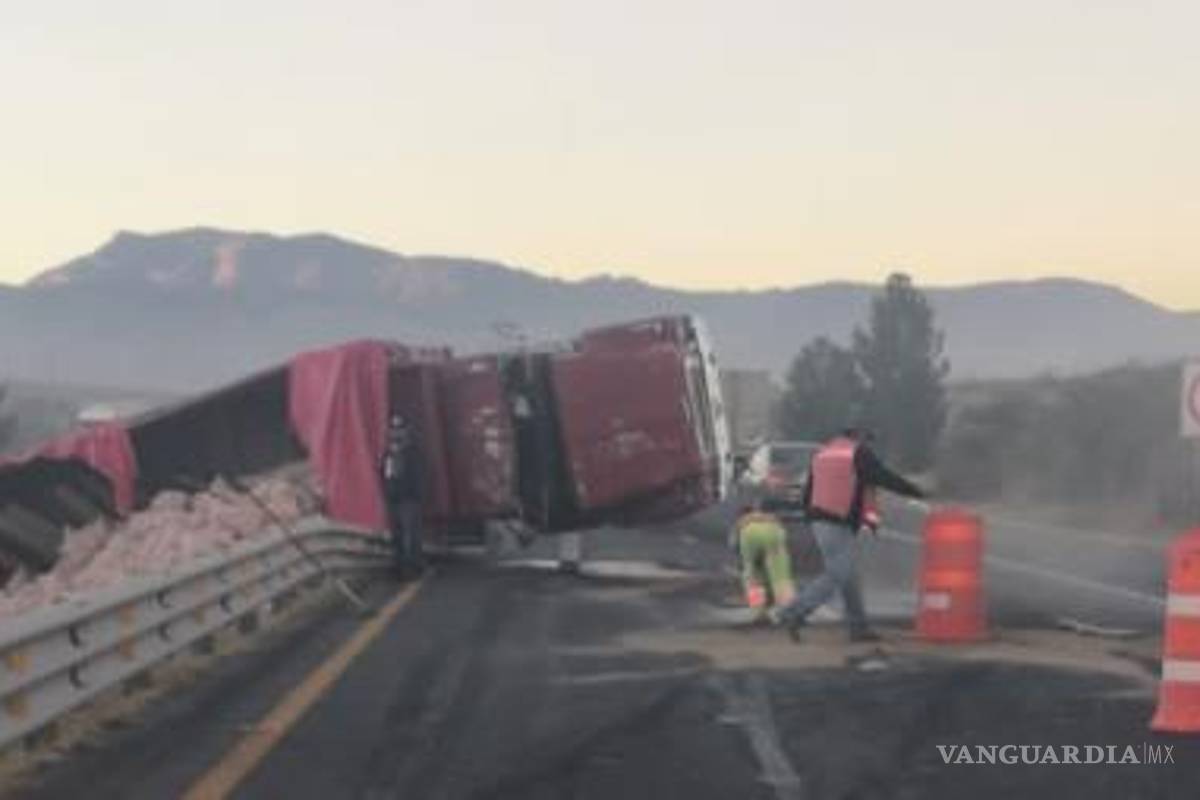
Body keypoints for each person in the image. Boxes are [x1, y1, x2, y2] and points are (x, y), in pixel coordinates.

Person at [777, 427, 926, 642]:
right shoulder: (858, 453)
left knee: (849, 576)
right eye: (868, 440)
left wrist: (810, 516)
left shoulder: (823, 454)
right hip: (834, 521)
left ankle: (858, 628)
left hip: (821, 520)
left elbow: (809, 491)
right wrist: (917, 491)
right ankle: (793, 612)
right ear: (859, 437)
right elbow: (883, 477)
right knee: (838, 573)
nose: (869, 445)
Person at [732, 500, 795, 625]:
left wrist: (745, 563)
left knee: (753, 577)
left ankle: (759, 613)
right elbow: (784, 534)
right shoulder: (769, 518)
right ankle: (789, 611)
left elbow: (734, 545)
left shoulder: (741, 523)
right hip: (774, 532)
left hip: (749, 535)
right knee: (780, 575)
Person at [382, 413, 424, 579]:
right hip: (393, 500)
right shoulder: (388, 454)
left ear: (407, 430)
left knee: (410, 535)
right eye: (393, 428)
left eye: (399, 428)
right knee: (397, 536)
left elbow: (419, 475)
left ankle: (413, 567)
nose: (396, 432)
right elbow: (384, 474)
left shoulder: (413, 451)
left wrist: (416, 496)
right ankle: (398, 567)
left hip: (409, 500)